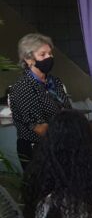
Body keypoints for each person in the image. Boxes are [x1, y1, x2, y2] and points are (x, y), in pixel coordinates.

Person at [9, 33, 71, 170]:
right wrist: (68, 133)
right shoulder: (23, 86)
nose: (49, 57)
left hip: (62, 143)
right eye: (43, 54)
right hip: (37, 149)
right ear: (28, 59)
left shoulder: (54, 81)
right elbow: (38, 127)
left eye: (50, 53)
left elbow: (67, 109)